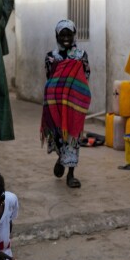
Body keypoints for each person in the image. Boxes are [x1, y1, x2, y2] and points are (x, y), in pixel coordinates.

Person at [42, 19, 91, 189]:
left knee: (73, 138)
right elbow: (51, 78)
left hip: (74, 104)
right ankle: (60, 158)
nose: (65, 38)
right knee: (58, 136)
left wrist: (78, 96)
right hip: (55, 104)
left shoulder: (81, 55)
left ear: (73, 35)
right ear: (57, 35)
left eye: (68, 34)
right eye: (62, 35)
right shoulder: (51, 57)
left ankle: (71, 174)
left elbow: (85, 77)